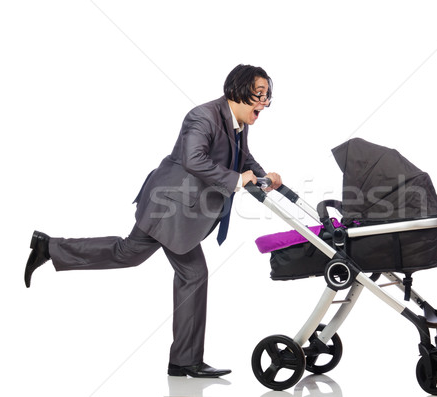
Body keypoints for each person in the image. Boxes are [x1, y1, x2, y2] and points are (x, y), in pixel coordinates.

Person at [23, 64, 282, 378]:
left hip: (179, 210)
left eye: (267, 97)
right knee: (192, 273)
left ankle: (49, 247)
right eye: (259, 95)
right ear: (237, 91)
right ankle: (184, 361)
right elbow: (194, 159)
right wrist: (237, 181)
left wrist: (264, 176)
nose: (264, 103)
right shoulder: (203, 116)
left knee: (127, 253)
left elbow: (242, 157)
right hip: (170, 206)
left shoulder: (238, 122)